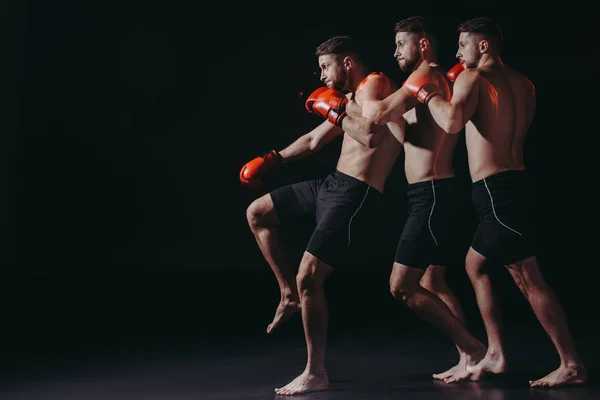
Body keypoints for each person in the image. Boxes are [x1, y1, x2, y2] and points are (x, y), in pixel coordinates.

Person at [406, 16, 587, 387]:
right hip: (514, 183)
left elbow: (452, 122)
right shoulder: (524, 83)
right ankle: (496, 353)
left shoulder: (474, 78)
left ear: (483, 46)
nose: (457, 54)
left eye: (462, 46)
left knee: (527, 277)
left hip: (493, 189)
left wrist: (425, 93)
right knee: (477, 264)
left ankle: (570, 362)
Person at [241, 35, 404, 395]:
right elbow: (314, 141)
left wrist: (334, 108)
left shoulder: (375, 83)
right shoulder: (348, 100)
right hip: (331, 184)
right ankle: (287, 295)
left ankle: (315, 372)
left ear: (347, 62)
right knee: (258, 213)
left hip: (356, 193)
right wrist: (272, 159)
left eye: (326, 67)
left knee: (310, 275)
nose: (322, 76)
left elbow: (370, 135)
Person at [348, 16, 486, 382]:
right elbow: (407, 133)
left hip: (433, 194)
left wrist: (350, 102)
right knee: (434, 283)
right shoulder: (424, 80)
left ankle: (475, 350)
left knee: (402, 286)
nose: (394, 52)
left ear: (422, 43)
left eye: (400, 44)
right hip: (429, 192)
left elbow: (375, 114)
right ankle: (468, 357)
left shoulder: (424, 75)